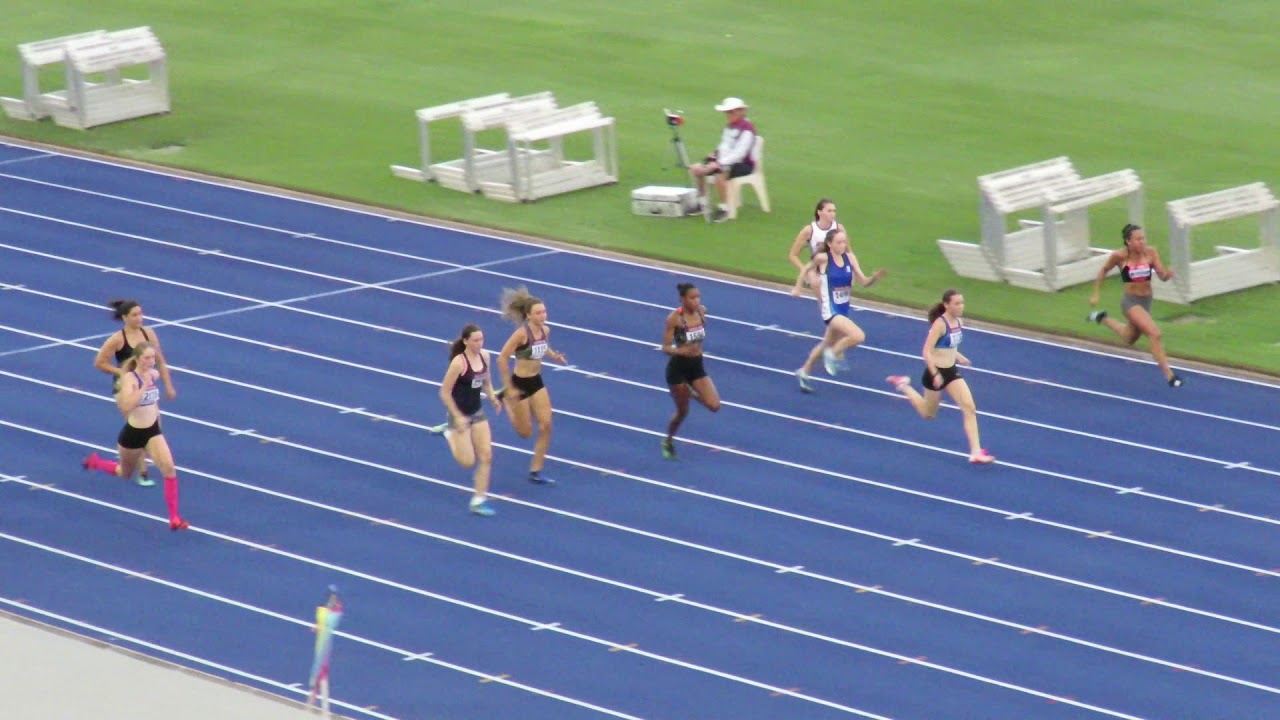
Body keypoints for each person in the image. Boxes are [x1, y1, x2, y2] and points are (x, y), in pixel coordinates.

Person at [82, 342, 190, 529]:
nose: (151, 362)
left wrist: (168, 387)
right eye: (147, 358)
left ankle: (174, 518)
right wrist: (143, 387)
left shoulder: (152, 374)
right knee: (124, 473)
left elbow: (161, 375)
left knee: (169, 469)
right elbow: (126, 406)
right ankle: (96, 462)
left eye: (152, 358)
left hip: (153, 432)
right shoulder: (130, 378)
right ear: (138, 359)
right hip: (133, 435)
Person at [885, 289, 995, 464]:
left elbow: (949, 345)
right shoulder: (940, 324)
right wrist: (935, 373)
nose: (961, 306)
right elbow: (926, 352)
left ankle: (975, 452)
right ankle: (904, 385)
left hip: (951, 372)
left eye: (962, 302)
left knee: (969, 408)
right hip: (935, 373)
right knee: (928, 414)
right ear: (947, 305)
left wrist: (959, 356)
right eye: (957, 303)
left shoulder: (959, 322)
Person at [92, 299, 176, 487]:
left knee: (154, 424)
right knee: (137, 426)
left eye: (141, 314)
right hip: (126, 389)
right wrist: (122, 372)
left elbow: (161, 361)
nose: (140, 318)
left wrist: (168, 385)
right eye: (135, 315)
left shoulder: (149, 333)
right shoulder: (118, 338)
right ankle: (143, 470)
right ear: (125, 318)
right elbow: (99, 362)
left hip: (146, 385)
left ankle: (104, 462)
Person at [1087, 223, 1183, 387]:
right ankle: (1170, 375)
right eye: (1138, 239)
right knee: (1155, 333)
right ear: (1128, 241)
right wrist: (1096, 293)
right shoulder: (1119, 256)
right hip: (1130, 302)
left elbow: (1162, 276)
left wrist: (1169, 274)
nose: (1142, 242)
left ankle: (1102, 318)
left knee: (1129, 337)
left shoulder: (1151, 253)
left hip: (1146, 302)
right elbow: (1103, 270)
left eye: (1143, 238)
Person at [794, 230, 886, 392]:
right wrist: (798, 287)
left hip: (843, 309)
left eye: (844, 242)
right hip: (830, 310)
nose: (843, 245)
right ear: (830, 244)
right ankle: (833, 354)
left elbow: (863, 282)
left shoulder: (850, 258)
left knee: (826, 342)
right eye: (839, 242)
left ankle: (804, 371)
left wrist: (875, 278)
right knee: (858, 336)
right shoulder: (823, 259)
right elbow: (806, 269)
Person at [429, 325, 504, 517]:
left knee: (486, 456)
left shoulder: (484, 357)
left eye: (482, 340)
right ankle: (448, 432)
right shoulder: (458, 363)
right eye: (476, 340)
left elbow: (485, 380)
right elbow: (444, 392)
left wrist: (493, 397)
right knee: (467, 462)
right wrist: (457, 416)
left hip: (477, 411)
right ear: (466, 342)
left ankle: (478, 500)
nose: (480, 343)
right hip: (458, 413)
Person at [496, 287, 568, 486]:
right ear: (528, 315)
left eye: (544, 311)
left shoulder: (545, 330)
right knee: (525, 432)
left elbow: (542, 348)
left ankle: (536, 471)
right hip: (519, 384)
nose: (543, 315)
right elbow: (501, 359)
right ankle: (507, 400)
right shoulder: (521, 334)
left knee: (546, 426)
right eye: (538, 313)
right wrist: (508, 387)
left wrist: (554, 356)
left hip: (536, 381)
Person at [662, 283, 722, 459]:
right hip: (678, 369)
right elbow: (665, 347)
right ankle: (668, 441)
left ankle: (690, 391)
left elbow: (703, 316)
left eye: (698, 297)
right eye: (692, 298)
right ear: (682, 299)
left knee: (714, 405)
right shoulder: (674, 319)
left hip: (696, 366)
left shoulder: (701, 312)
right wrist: (681, 350)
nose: (697, 301)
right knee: (682, 412)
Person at [688, 97, 758, 223]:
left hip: (743, 164)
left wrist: (719, 164)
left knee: (720, 173)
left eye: (732, 112)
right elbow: (724, 146)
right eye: (727, 112)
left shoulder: (747, 129)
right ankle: (702, 202)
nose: (729, 115)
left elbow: (739, 154)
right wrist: (713, 157)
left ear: (741, 112)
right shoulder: (729, 127)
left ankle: (724, 208)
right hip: (724, 161)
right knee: (697, 169)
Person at [789, 198, 844, 300]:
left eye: (834, 211)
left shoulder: (839, 228)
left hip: (836, 269)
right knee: (825, 305)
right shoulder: (809, 230)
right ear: (819, 212)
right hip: (818, 271)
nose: (832, 214)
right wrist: (806, 272)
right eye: (829, 211)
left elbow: (848, 252)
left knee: (837, 305)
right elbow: (793, 255)